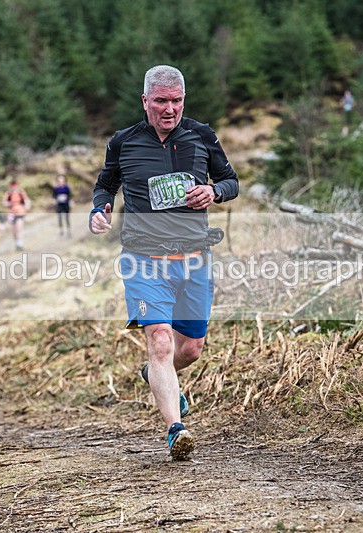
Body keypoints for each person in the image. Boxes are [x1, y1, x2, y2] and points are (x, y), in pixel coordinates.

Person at [89, 65, 239, 460]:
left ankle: (157, 374)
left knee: (189, 350)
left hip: (194, 259)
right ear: (145, 101)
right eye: (161, 101)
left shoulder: (202, 135)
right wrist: (99, 209)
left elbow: (231, 180)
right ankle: (176, 429)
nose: (169, 109)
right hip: (144, 259)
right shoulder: (124, 142)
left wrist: (213, 191)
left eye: (176, 101)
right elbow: (106, 184)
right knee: (160, 341)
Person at [3, 179, 31, 250]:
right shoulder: (8, 194)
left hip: (20, 212)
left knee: (19, 228)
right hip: (12, 213)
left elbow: (27, 200)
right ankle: (17, 243)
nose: (14, 187)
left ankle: (20, 244)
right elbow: (4, 202)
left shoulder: (21, 193)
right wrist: (10, 204)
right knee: (14, 230)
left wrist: (27, 207)